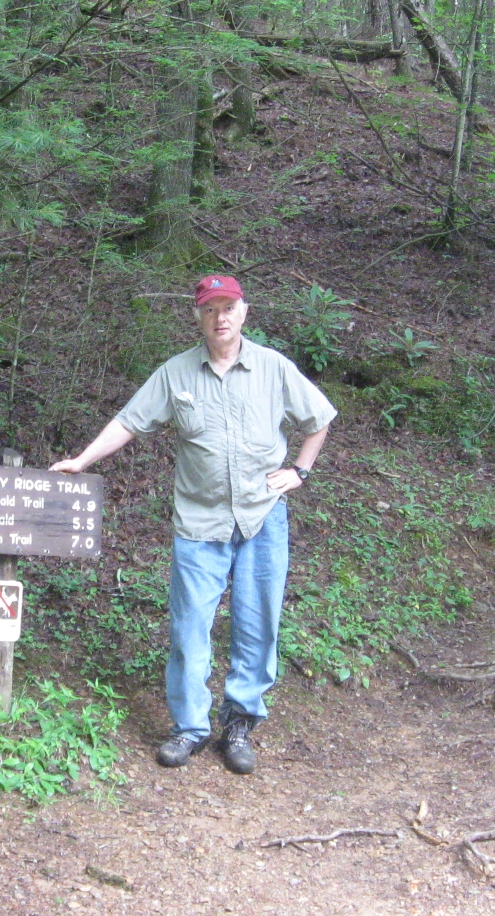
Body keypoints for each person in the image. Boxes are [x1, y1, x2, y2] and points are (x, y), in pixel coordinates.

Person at [50, 275, 335, 774]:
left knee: (257, 623)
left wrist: (300, 470)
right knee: (189, 630)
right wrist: (83, 459)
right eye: (210, 309)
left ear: (243, 311)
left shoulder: (273, 368)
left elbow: (319, 418)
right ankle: (190, 727)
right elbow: (129, 422)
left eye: (228, 307)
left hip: (262, 516)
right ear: (198, 316)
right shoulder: (176, 373)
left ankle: (241, 722)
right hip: (199, 523)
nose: (220, 317)